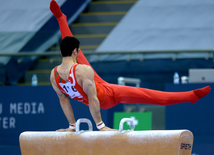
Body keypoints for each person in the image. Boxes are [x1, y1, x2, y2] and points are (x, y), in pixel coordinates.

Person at [49, 0, 211, 131]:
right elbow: (93, 99)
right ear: (75, 52)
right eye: (77, 51)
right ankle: (190, 96)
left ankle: (61, 18)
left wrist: (72, 126)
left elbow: (63, 101)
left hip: (96, 85)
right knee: (146, 94)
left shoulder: (53, 75)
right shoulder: (82, 70)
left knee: (76, 56)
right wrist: (101, 126)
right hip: (107, 96)